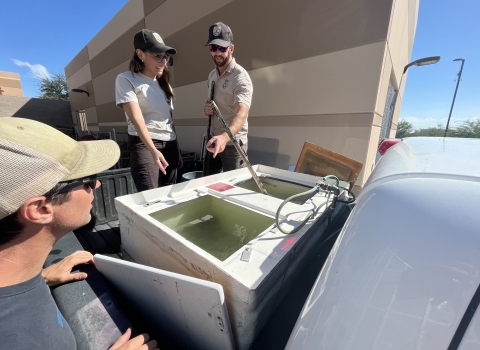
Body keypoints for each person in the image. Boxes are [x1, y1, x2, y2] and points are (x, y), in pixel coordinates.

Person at [0, 118, 158, 350]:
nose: (97, 185)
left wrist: (40, 277)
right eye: (87, 181)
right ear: (40, 209)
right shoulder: (22, 336)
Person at [116, 29, 182, 191]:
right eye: (157, 56)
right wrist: (153, 151)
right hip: (145, 146)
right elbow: (136, 119)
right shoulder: (126, 79)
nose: (163, 61)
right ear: (140, 54)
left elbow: (168, 119)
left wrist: (176, 150)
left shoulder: (163, 83)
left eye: (164, 57)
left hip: (170, 145)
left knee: (169, 196)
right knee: (150, 197)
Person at [203, 22, 253, 175]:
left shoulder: (240, 78)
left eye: (222, 48)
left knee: (233, 188)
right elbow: (215, 104)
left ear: (231, 48)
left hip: (233, 145)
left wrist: (224, 138)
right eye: (213, 48)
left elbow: (241, 114)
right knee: (209, 186)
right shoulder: (212, 75)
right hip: (213, 141)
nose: (217, 53)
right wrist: (208, 108)